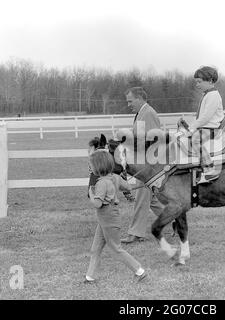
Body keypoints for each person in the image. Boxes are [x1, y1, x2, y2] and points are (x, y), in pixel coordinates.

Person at [85, 151, 148, 284]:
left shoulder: (101, 183)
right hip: (107, 219)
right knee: (96, 248)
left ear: (99, 167)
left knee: (115, 249)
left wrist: (91, 193)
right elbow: (128, 187)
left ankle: (139, 271)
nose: (90, 168)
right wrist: (144, 182)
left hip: (107, 218)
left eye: (91, 165)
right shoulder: (115, 177)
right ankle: (90, 277)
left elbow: (97, 203)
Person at [120, 87, 166, 244]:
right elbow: (141, 139)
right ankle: (176, 220)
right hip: (144, 162)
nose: (128, 105)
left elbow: (155, 140)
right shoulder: (141, 113)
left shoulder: (148, 113)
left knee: (141, 198)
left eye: (130, 101)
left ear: (140, 98)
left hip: (149, 164)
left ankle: (136, 233)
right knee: (151, 200)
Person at [186, 66, 224, 184]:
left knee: (195, 140)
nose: (197, 84)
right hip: (205, 127)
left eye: (199, 82)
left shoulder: (213, 96)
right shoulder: (207, 94)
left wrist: (192, 127)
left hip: (212, 129)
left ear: (211, 81)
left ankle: (210, 170)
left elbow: (206, 117)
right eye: (196, 82)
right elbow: (201, 117)